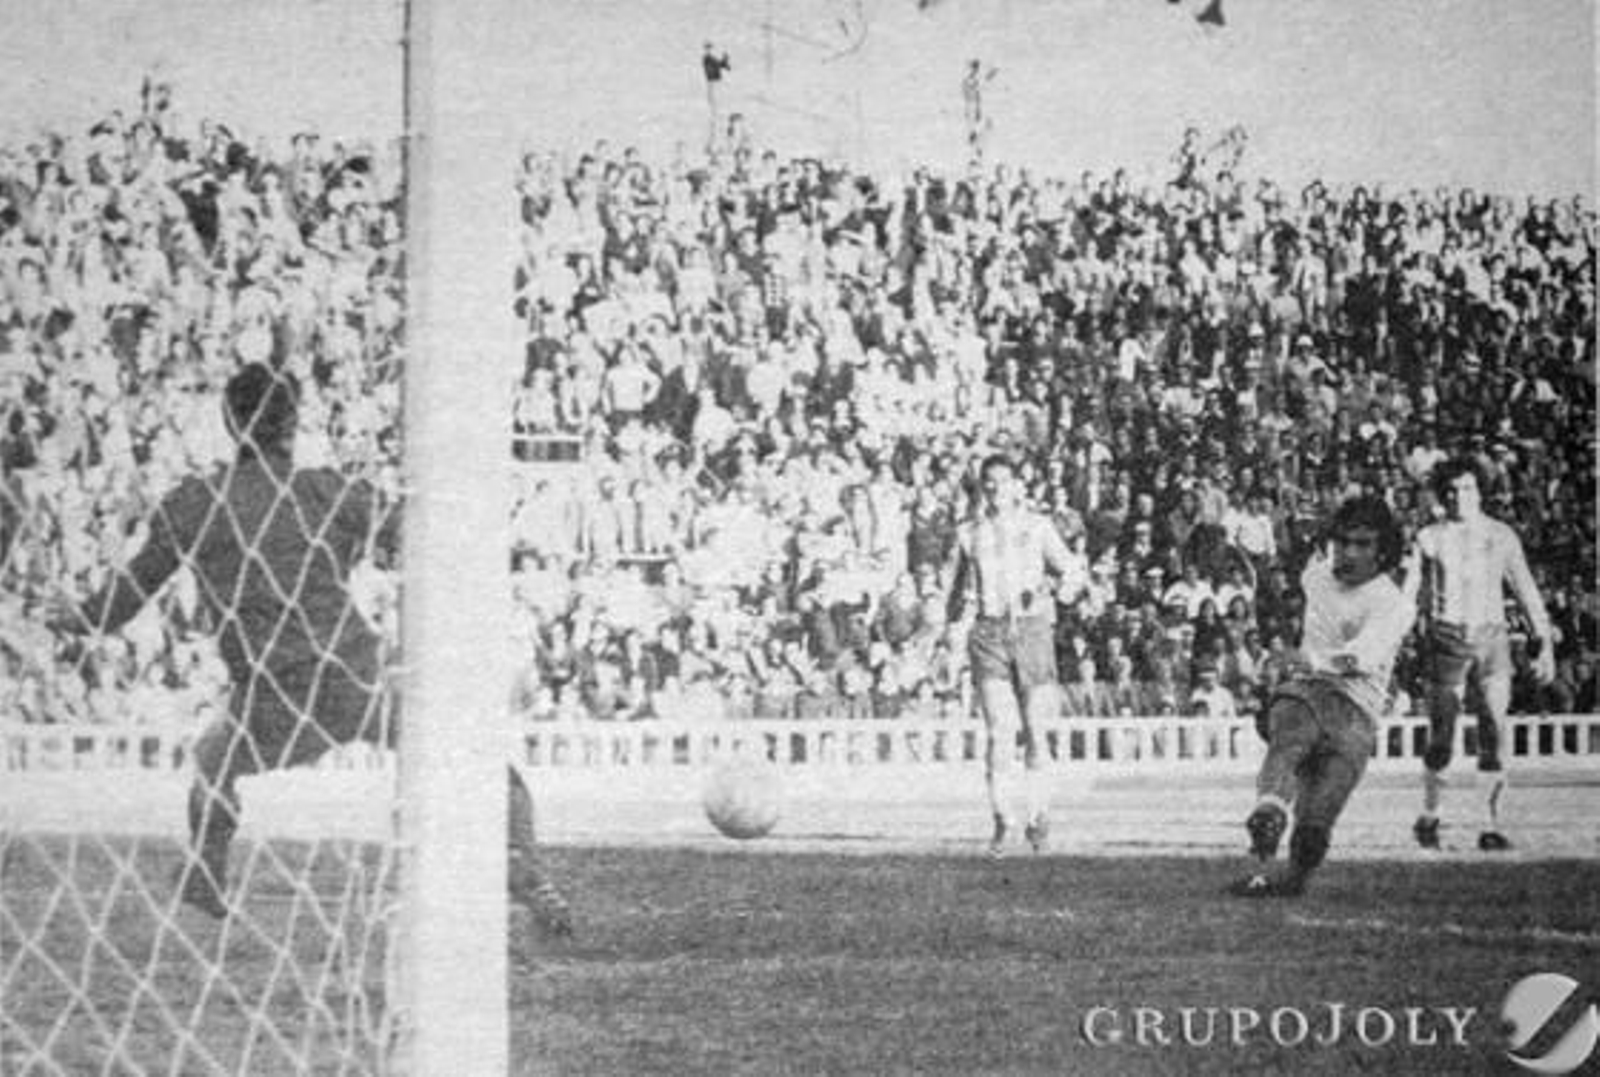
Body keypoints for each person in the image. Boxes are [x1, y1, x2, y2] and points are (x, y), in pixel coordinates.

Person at [48, 363, 573, 935]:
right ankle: (527, 869)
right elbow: (417, 531)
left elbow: (126, 597)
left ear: (229, 421)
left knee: (213, 762)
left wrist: (73, 618)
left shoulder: (195, 504)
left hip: (272, 694)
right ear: (292, 425)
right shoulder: (323, 492)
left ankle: (206, 872)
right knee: (485, 767)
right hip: (355, 677)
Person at [1230, 495, 1418, 898]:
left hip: (1356, 712)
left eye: (1362, 544)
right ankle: (1270, 810)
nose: (1348, 553)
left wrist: (1305, 657)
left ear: (1383, 549)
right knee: (1289, 734)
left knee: (1314, 826)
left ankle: (1289, 873)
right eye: (1342, 541)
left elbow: (1361, 657)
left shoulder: (1393, 604)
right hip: (1312, 694)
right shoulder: (1317, 576)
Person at [1412, 457, 1556, 852]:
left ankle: (1489, 824)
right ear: (1443, 494)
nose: (1461, 496)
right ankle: (1430, 814)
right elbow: (1409, 595)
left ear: (1481, 491)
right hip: (1447, 639)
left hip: (1492, 639)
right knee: (1442, 737)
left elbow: (1525, 589)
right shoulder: (1429, 538)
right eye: (1453, 490)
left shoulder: (1501, 535)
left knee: (1494, 727)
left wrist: (1542, 641)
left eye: (1469, 488)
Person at [946, 454, 1074, 856]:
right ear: (981, 488)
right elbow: (952, 594)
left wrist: (1055, 592)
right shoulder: (968, 534)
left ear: (1017, 485)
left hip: (1032, 630)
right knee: (1001, 731)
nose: (996, 489)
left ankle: (1038, 817)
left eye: (1004, 481)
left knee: (1037, 731)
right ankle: (1003, 820)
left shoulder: (1037, 527)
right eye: (989, 482)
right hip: (989, 632)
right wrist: (950, 630)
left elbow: (1071, 570)